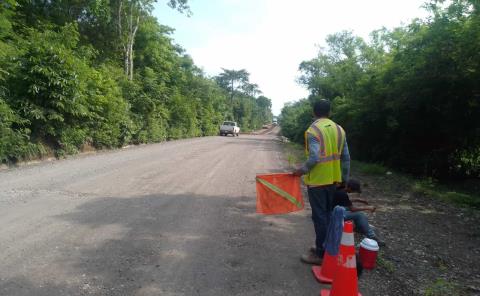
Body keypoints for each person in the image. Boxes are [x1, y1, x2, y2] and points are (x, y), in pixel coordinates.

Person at [293, 99, 350, 265]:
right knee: (327, 215)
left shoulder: (313, 130)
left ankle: (320, 254)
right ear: (329, 112)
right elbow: (346, 157)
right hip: (334, 180)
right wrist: (344, 180)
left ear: (314, 112)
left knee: (319, 218)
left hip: (318, 182)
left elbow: (315, 157)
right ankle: (325, 246)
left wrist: (301, 171)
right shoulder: (340, 130)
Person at [335, 179, 385, 246]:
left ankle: (359, 227)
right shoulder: (342, 193)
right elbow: (352, 209)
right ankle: (372, 236)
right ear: (349, 188)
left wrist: (358, 200)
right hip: (334, 215)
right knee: (359, 214)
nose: (352, 192)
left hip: (334, 210)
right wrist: (368, 208)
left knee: (352, 210)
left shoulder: (340, 189)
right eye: (353, 191)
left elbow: (345, 200)